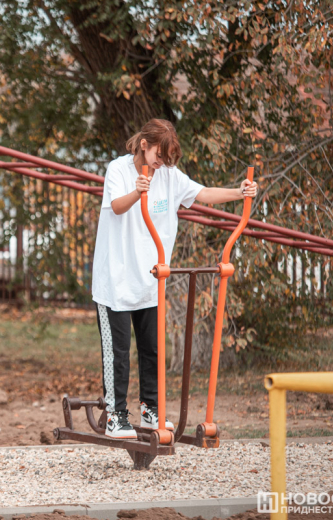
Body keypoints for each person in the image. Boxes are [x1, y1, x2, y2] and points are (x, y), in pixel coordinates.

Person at [92, 119, 258, 439]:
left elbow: (203, 193)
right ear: (144, 145)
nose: (161, 163)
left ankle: (151, 410)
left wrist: (239, 192)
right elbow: (115, 206)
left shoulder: (169, 174)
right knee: (118, 354)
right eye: (159, 155)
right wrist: (137, 191)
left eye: (167, 158)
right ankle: (115, 416)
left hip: (151, 280)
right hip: (115, 281)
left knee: (153, 351)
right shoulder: (118, 170)